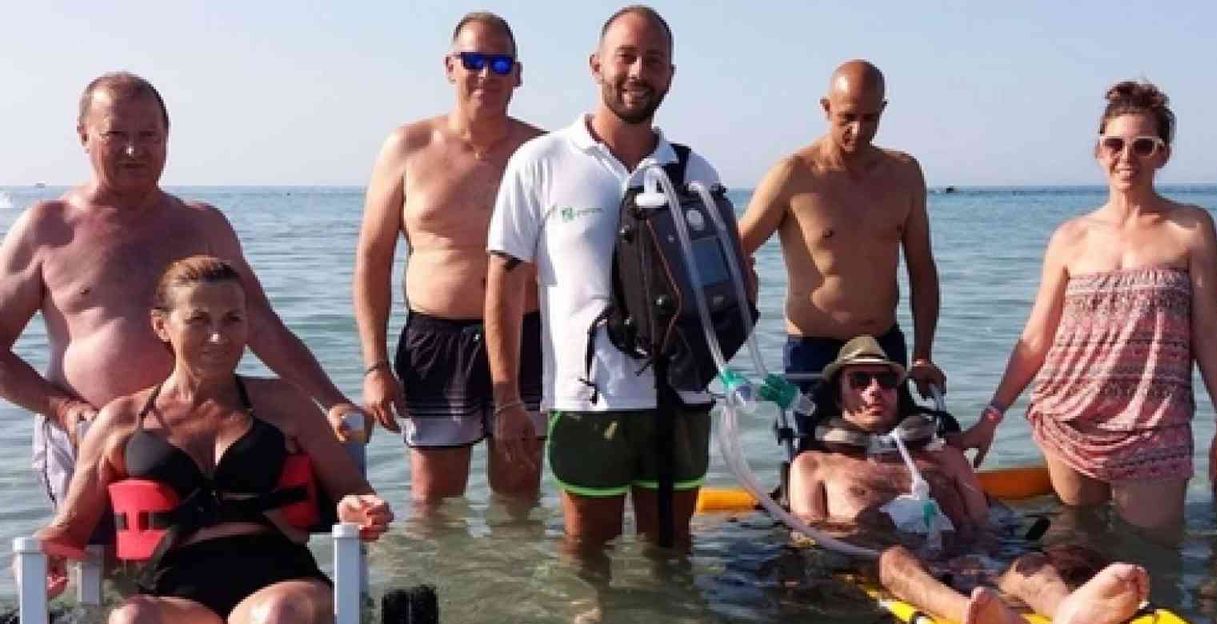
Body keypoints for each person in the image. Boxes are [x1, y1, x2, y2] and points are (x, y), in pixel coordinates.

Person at [36, 256, 393, 624]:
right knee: (130, 621)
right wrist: (52, 552)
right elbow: (71, 523)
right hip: (179, 592)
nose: (220, 336)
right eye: (199, 320)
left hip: (280, 578)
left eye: (233, 319)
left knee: (275, 618)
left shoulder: (282, 403)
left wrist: (362, 508)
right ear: (161, 326)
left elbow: (351, 491)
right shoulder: (123, 419)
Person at [0, 73, 363, 518]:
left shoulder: (203, 225)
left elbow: (263, 326)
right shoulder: (47, 228)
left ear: (167, 136)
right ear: (84, 135)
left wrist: (332, 400)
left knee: (209, 566)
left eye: (148, 135)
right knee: (105, 574)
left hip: (199, 438)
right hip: (88, 436)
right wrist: (63, 409)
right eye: (116, 134)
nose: (134, 149)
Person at [484, 6, 722, 547]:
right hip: (586, 400)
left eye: (654, 60)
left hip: (680, 399)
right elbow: (503, 282)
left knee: (672, 554)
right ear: (596, 65)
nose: (639, 71)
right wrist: (507, 400)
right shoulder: (541, 161)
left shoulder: (694, 171)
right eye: (626, 56)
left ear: (671, 76)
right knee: (585, 560)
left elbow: (728, 287)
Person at [957, 81, 1217, 535]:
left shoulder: (1190, 228)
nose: (1127, 157)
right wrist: (991, 417)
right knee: (1077, 548)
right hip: (1069, 418)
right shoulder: (1070, 237)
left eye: (1143, 146)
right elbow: (1036, 338)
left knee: (1157, 558)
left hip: (1155, 426)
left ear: (1163, 155)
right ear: (1098, 151)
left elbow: (1208, 332)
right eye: (1115, 144)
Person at [789, 337, 1149, 624]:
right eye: (860, 380)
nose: (874, 390)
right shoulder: (815, 465)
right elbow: (809, 536)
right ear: (839, 394)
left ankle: (1069, 616)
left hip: (969, 554)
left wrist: (985, 556)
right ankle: (976, 617)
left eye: (885, 381)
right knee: (895, 560)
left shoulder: (944, 455)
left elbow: (981, 518)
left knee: (1031, 565)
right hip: (892, 564)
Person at [353, 12, 544, 505]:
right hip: (436, 341)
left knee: (519, 501)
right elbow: (373, 261)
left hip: (526, 336)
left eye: (500, 63)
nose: (487, 74)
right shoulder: (408, 147)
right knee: (434, 507)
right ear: (450, 66)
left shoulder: (541, 152)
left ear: (517, 74)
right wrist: (375, 365)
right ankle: (440, 587)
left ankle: (515, 586)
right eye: (474, 60)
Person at [738, 60, 946, 410]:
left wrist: (923, 354)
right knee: (809, 457)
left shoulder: (904, 174)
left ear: (883, 110)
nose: (858, 130)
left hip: (881, 348)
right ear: (826, 108)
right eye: (847, 117)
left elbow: (922, 269)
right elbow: (732, 252)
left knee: (892, 457)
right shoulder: (793, 175)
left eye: (870, 118)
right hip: (812, 352)